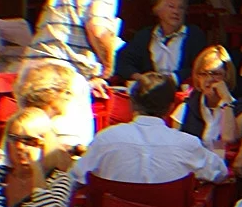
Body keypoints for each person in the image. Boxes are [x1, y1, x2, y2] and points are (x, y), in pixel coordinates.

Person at [20, 0, 139, 146]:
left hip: (32, 69)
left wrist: (90, 75)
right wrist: (108, 66)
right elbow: (99, 30)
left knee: (27, 138)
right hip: (61, 75)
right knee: (70, 144)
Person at [71, 72, 228, 184]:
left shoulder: (105, 139)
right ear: (171, 108)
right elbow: (220, 172)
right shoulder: (188, 144)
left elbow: (77, 175)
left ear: (131, 104)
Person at [0, 108, 77, 207]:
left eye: (29, 141)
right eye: (14, 139)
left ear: (44, 145)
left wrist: (36, 168)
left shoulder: (59, 180)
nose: (20, 147)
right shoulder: (1, 175)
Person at [114, 0, 207, 84]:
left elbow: (202, 67)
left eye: (181, 8)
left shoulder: (195, 35)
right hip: (149, 93)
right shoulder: (144, 35)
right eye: (171, 6)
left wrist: (172, 79)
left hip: (182, 93)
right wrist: (140, 78)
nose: (176, 12)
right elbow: (124, 62)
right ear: (158, 10)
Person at [174, 45, 242, 150]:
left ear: (226, 76)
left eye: (216, 74)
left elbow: (228, 138)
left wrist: (226, 100)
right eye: (203, 74)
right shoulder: (186, 107)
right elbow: (173, 146)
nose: (209, 79)